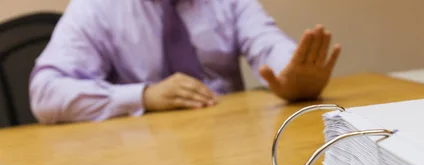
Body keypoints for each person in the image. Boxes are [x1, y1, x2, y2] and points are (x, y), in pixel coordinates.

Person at [29, 0, 342, 124]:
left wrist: (291, 75)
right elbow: (46, 93)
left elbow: (267, 42)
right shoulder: (96, 8)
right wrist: (144, 96)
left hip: (229, 145)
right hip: (140, 162)